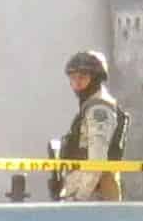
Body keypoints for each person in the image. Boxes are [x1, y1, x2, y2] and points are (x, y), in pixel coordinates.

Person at [50, 49, 127, 202]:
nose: (77, 83)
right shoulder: (90, 106)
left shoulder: (99, 109)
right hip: (86, 192)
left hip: (93, 196)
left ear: (96, 78)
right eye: (73, 78)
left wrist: (80, 197)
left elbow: (97, 161)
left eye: (83, 77)